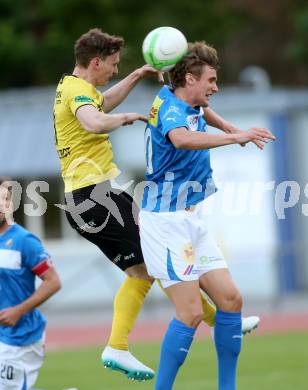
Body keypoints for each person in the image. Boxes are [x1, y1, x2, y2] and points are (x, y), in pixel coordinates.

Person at [53, 28, 259, 382]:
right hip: (93, 196)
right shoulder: (77, 92)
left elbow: (103, 104)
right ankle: (119, 346)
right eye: (114, 65)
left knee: (150, 268)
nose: (115, 71)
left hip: (97, 193)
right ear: (96, 61)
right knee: (147, 271)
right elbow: (94, 120)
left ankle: (215, 318)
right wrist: (125, 119)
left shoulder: (74, 87)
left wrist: (136, 76)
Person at [139, 41, 275, 390]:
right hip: (167, 223)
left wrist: (231, 128)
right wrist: (235, 137)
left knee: (231, 300)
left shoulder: (186, 99)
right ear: (189, 78)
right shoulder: (170, 109)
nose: (215, 87)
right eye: (211, 80)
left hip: (192, 219)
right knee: (191, 313)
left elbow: (202, 113)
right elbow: (183, 139)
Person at [0, 177, 61, 390]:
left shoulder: (24, 241)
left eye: (5, 199)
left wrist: (18, 310)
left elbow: (53, 282)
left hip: (21, 337)